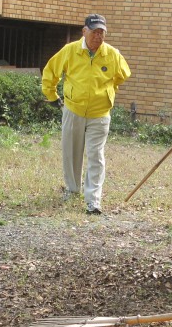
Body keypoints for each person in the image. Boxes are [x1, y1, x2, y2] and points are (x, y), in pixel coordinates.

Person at [42, 14, 131, 215]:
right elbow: (50, 72)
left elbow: (122, 75)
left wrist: (108, 91)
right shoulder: (70, 51)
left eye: (102, 33)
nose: (98, 37)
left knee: (95, 155)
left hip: (100, 113)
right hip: (73, 109)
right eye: (94, 32)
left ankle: (93, 200)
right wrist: (52, 96)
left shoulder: (112, 54)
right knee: (71, 152)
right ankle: (72, 190)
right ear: (84, 31)